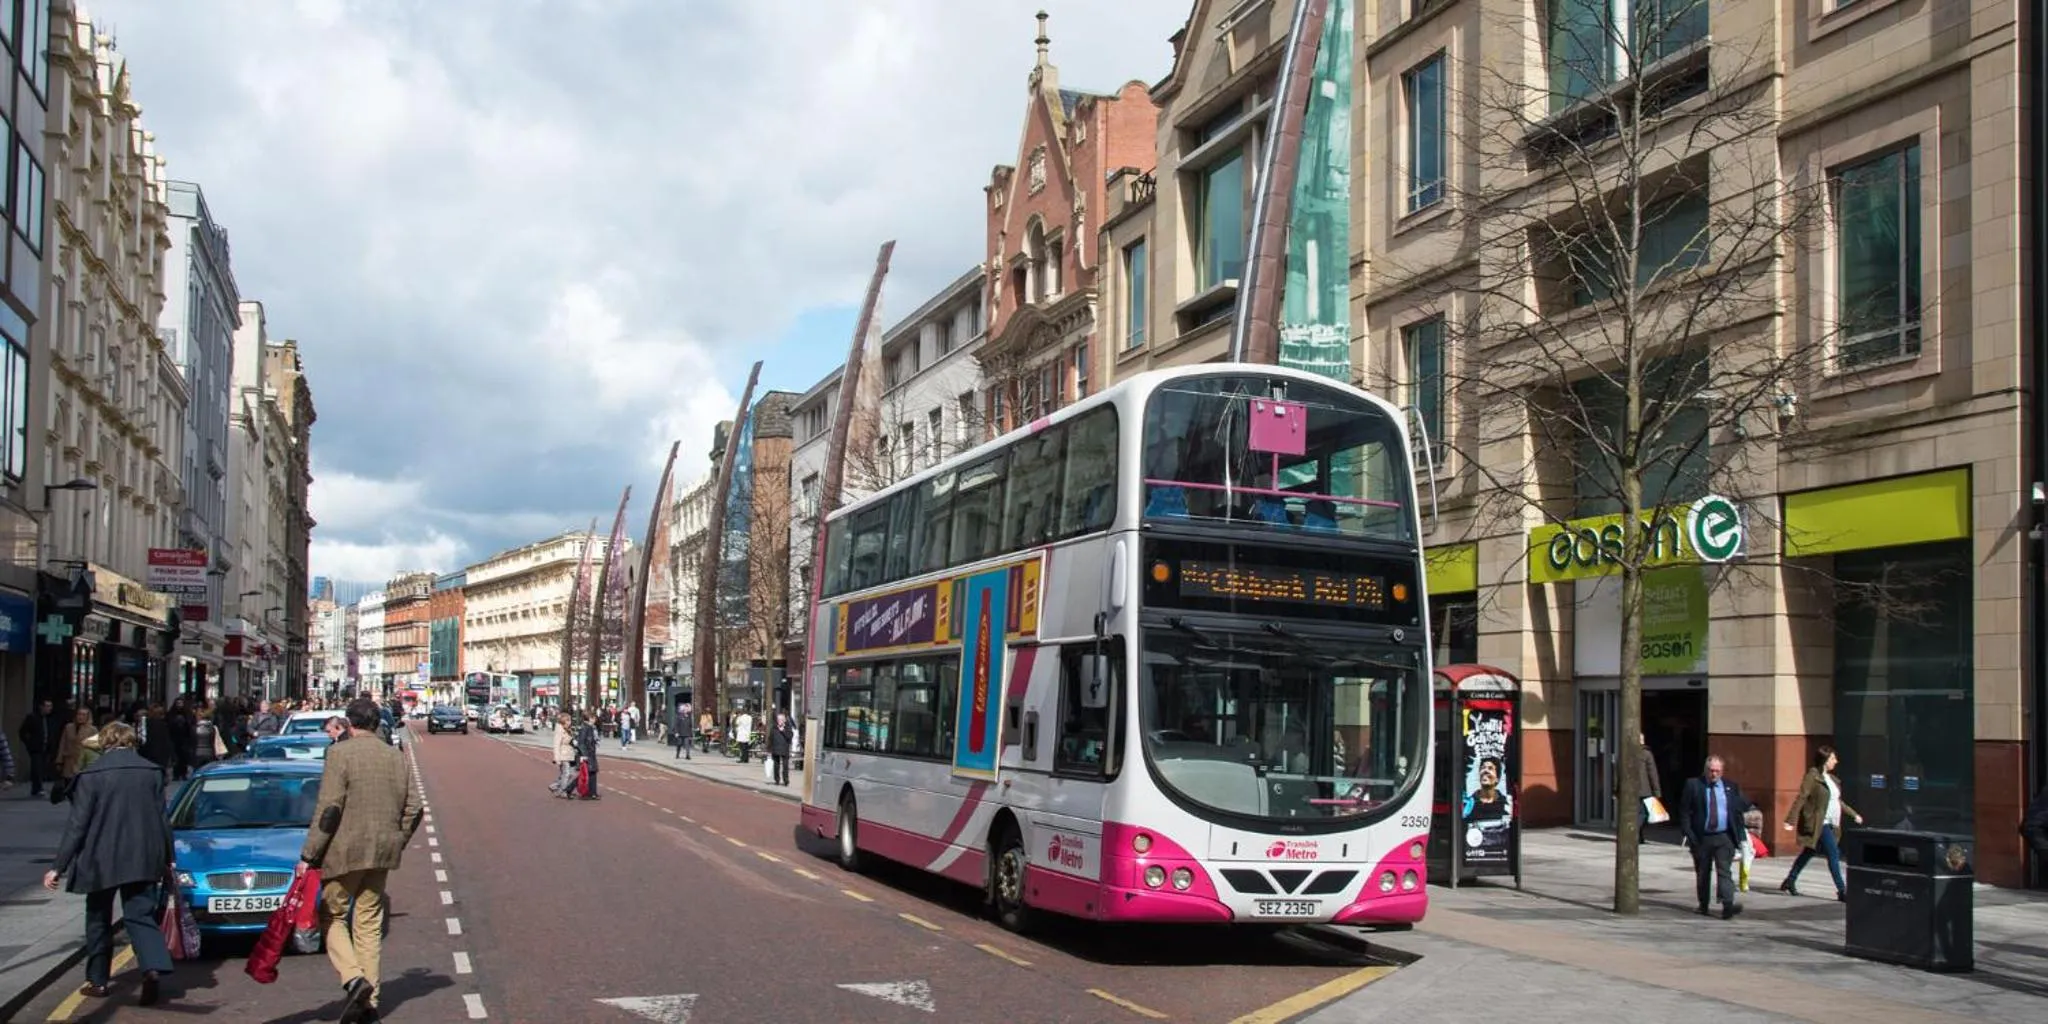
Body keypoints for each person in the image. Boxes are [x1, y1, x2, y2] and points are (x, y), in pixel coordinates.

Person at [298, 699, 424, 1024]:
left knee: (332, 915)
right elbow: (414, 808)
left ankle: (354, 979)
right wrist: (397, 840)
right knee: (368, 923)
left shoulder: (340, 754)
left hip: (344, 851)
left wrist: (309, 854)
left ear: (351, 725)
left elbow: (329, 809)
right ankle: (371, 1003)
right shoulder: (395, 757)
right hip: (382, 852)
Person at [44, 722, 174, 1006]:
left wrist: (58, 866)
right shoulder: (151, 772)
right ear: (131, 741)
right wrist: (168, 858)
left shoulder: (91, 775)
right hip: (143, 856)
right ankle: (151, 968)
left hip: (100, 859)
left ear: (104, 743)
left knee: (98, 919)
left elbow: (77, 826)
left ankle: (98, 981)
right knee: (140, 915)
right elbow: (162, 820)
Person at [1780, 745, 1863, 900]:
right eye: (1832, 758)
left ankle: (1790, 880)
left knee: (1809, 851)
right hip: (1819, 822)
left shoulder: (1831, 779)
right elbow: (1802, 797)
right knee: (1833, 854)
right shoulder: (1813, 775)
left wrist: (1853, 814)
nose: (1836, 761)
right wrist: (1790, 819)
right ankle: (1842, 890)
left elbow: (1837, 802)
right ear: (1825, 760)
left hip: (1832, 823)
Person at [1679, 755, 1748, 919]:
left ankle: (1727, 906)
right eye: (1711, 771)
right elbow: (1684, 811)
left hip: (1724, 836)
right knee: (1703, 872)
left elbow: (1738, 810)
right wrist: (1688, 833)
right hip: (1702, 837)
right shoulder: (1694, 785)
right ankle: (1703, 905)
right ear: (1705, 770)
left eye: (1717, 771)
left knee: (1724, 871)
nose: (1714, 774)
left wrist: (1740, 836)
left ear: (1722, 772)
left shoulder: (1730, 787)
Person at [17, 697, 59, 796]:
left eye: (50, 706)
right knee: (36, 767)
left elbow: (53, 732)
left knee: (42, 766)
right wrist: (29, 743)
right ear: (41, 707)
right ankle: (37, 787)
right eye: (47, 706)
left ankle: (37, 787)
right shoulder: (32, 717)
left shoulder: (51, 719)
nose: (49, 708)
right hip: (36, 748)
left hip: (47, 747)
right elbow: (23, 732)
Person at [573, 710, 601, 800]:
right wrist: (584, 755)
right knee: (586, 774)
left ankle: (593, 793)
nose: (595, 720)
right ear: (589, 718)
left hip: (590, 753)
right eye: (593, 718)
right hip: (587, 754)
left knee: (592, 772)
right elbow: (581, 743)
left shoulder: (590, 727)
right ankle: (568, 789)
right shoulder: (585, 728)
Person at [549, 712, 577, 797]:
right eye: (568, 720)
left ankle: (554, 786)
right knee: (566, 773)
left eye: (570, 720)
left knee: (571, 773)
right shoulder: (560, 731)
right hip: (563, 755)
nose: (569, 722)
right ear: (563, 721)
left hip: (569, 755)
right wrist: (557, 758)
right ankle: (563, 791)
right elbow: (556, 745)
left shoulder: (568, 729)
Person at [768, 710, 795, 786]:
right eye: (778, 719)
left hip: (784, 749)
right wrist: (769, 748)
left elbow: (789, 737)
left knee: (785, 766)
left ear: (784, 720)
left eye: (781, 720)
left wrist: (783, 730)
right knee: (776, 766)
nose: (780, 721)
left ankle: (786, 780)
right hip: (776, 749)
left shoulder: (788, 727)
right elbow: (770, 738)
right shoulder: (774, 728)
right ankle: (777, 779)